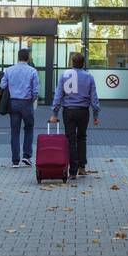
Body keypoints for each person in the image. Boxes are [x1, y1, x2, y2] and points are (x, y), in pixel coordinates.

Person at [50, 51, 100, 180]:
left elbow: (58, 95)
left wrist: (54, 113)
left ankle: (72, 171)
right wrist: (95, 115)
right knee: (82, 137)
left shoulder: (64, 75)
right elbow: (94, 97)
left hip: (69, 111)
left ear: (72, 63)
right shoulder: (89, 77)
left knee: (70, 140)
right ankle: (82, 167)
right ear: (83, 63)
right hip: (83, 111)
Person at [0, 48, 40, 168]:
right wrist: (32, 100)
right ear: (28, 58)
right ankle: (26, 156)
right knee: (29, 128)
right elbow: (36, 90)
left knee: (15, 131)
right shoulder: (32, 71)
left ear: (18, 57)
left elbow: (2, 85)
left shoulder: (9, 70)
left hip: (13, 103)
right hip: (27, 103)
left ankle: (15, 161)